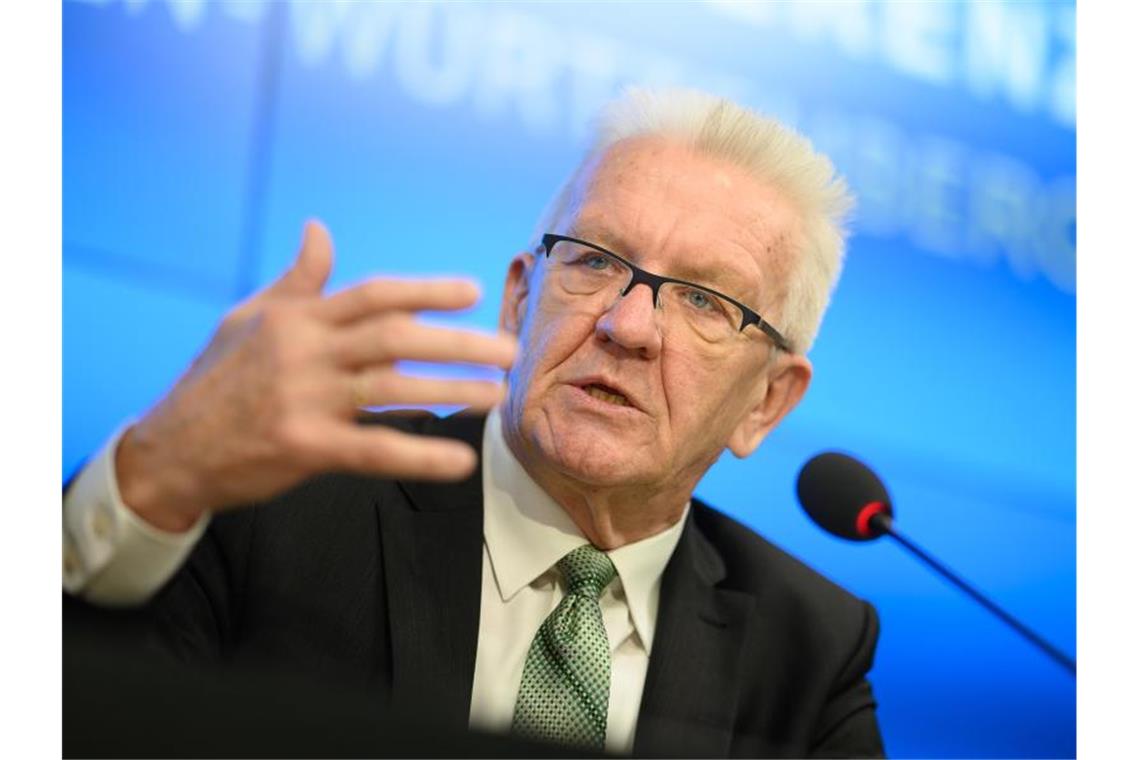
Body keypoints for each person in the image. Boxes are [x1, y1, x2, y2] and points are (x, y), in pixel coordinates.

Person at [63, 88, 885, 757]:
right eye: (596, 260)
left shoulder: (808, 653)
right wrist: (151, 477)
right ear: (520, 301)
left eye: (706, 300)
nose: (626, 326)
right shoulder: (286, 499)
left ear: (767, 402)